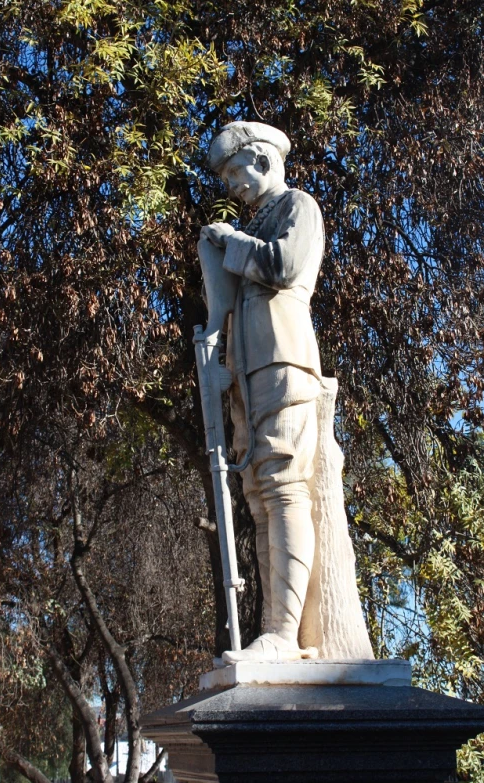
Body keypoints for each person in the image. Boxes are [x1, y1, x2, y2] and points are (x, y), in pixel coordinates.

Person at [198, 121, 373, 664]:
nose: (233, 186)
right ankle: (279, 633)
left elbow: (283, 266)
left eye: (235, 172)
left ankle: (283, 633)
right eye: (225, 177)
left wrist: (235, 242)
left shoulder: (299, 205)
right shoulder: (261, 220)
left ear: (262, 159)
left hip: (286, 359)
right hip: (249, 367)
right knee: (257, 495)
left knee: (282, 486)